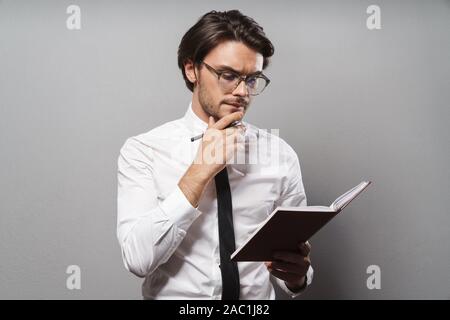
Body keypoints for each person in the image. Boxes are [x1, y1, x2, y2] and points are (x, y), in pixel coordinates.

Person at [117, 10, 313, 300]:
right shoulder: (144, 151)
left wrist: (297, 277)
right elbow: (137, 259)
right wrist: (200, 170)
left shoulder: (279, 155)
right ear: (191, 69)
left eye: (251, 79)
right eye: (228, 75)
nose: (242, 92)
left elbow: (292, 271)